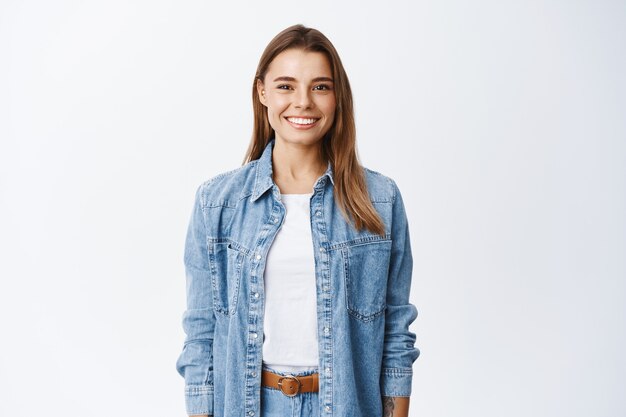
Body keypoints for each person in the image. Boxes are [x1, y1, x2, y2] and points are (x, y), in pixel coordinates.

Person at [176, 24, 420, 417]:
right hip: (250, 405)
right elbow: (202, 335)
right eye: (286, 86)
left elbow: (395, 334)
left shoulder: (379, 200)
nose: (303, 102)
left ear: (337, 96)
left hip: (345, 406)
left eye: (320, 87)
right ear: (262, 93)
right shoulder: (217, 204)